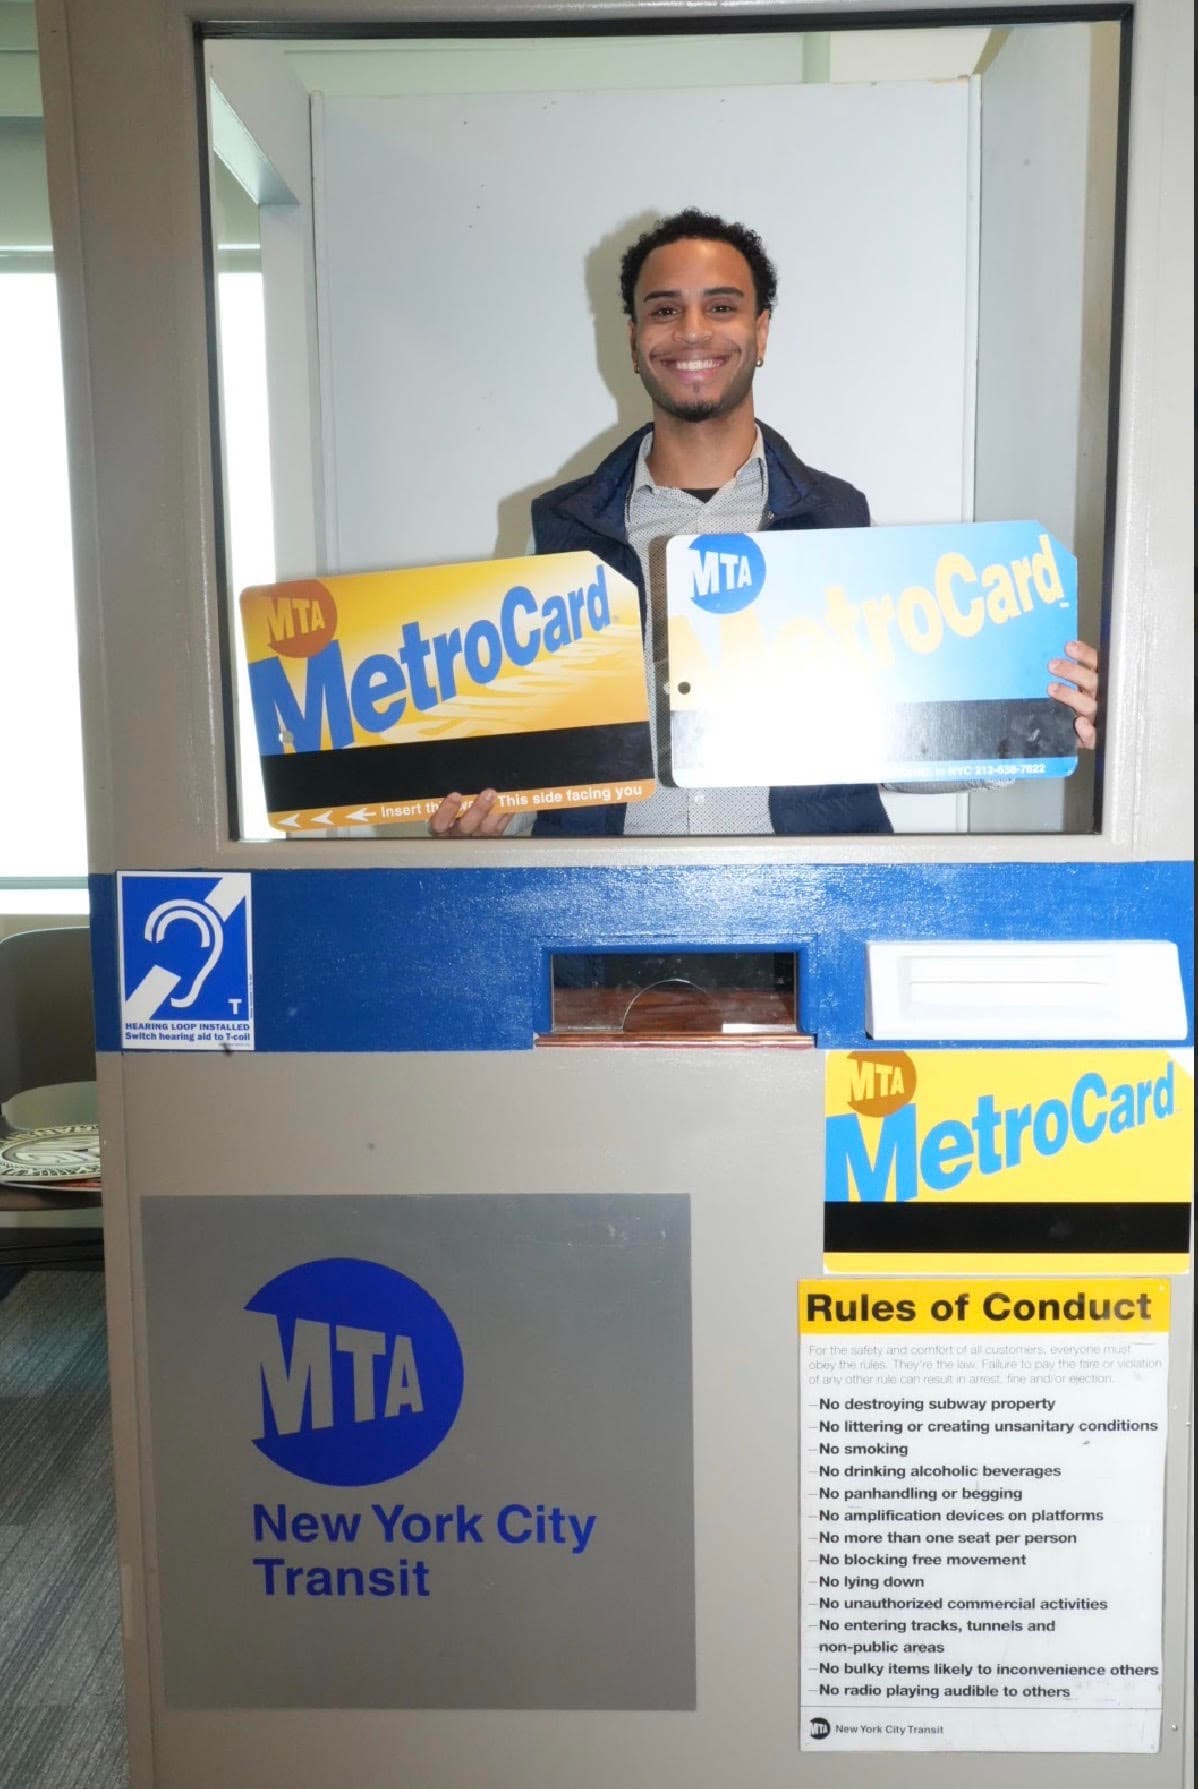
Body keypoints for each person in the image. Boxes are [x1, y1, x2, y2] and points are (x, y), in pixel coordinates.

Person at [431, 209, 1099, 839]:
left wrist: (1037, 714)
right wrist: (477, 816)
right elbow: (520, 765)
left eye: (721, 307)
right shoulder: (556, 532)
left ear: (762, 331)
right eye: (664, 310)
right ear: (634, 340)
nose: (692, 331)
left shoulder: (838, 520)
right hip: (608, 932)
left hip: (807, 929)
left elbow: (898, 741)